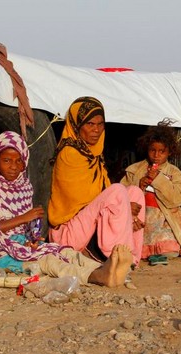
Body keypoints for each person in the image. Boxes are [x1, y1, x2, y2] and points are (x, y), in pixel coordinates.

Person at [0, 131, 132, 287]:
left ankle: (109, 268)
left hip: (22, 244)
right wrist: (25, 217)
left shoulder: (23, 186)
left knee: (65, 252)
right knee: (49, 262)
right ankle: (97, 276)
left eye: (18, 161)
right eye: (6, 160)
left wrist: (33, 238)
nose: (13, 166)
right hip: (0, 252)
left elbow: (25, 230)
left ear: (24, 163)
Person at [48, 96, 145, 266]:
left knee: (134, 192)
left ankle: (130, 257)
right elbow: (81, 203)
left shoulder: (94, 153)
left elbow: (102, 194)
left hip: (90, 225)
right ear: (77, 126)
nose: (96, 130)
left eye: (100, 124)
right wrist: (125, 211)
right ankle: (113, 257)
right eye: (90, 124)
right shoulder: (69, 154)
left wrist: (127, 213)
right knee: (117, 192)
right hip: (69, 233)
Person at [120, 120, 181, 260]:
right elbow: (121, 194)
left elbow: (177, 199)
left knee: (169, 252)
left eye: (161, 151)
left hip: (164, 220)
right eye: (153, 150)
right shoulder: (134, 170)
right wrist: (138, 185)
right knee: (132, 247)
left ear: (169, 152)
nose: (156, 155)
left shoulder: (175, 174)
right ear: (147, 149)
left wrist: (159, 179)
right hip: (141, 218)